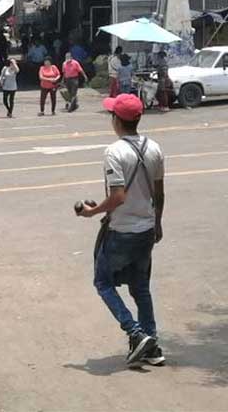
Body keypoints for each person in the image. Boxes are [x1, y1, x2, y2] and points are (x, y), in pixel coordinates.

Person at [77, 93, 166, 366]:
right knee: (140, 287)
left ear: (117, 120)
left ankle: (135, 332)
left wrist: (92, 211)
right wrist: (158, 222)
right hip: (146, 228)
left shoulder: (114, 152)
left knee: (103, 282)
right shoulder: (154, 148)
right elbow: (159, 193)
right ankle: (151, 346)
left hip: (122, 231)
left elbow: (118, 197)